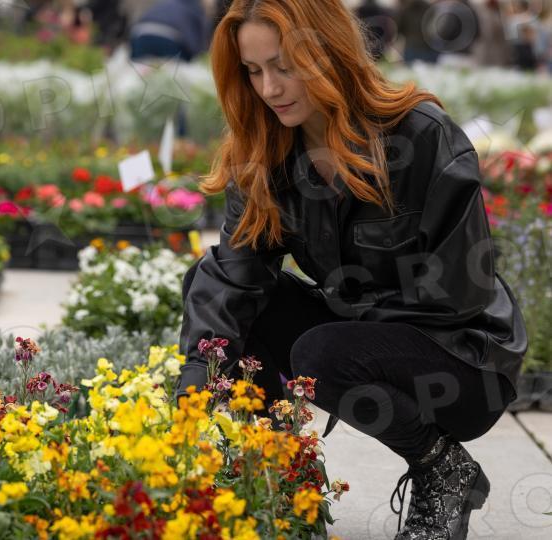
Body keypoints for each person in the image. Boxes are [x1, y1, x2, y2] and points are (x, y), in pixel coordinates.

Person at [174, 1, 527, 539]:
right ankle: (279, 474)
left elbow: (460, 292)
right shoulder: (265, 152)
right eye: (254, 71)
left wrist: (344, 328)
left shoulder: (421, 136)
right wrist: (196, 389)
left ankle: (443, 469)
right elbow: (232, 279)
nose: (269, 88)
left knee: (321, 352)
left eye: (284, 66)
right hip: (358, 337)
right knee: (216, 292)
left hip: (462, 359)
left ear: (327, 52)